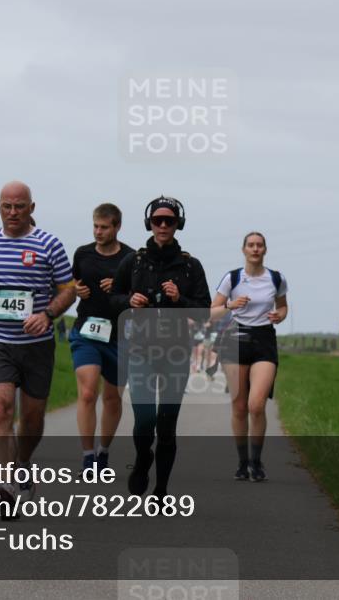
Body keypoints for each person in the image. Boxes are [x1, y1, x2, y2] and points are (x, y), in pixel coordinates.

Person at [0, 181, 75, 516]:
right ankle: (5, 485)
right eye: (7, 206)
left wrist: (47, 314)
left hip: (36, 346)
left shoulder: (49, 244)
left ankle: (23, 461)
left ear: (31, 208)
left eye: (19, 206)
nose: (12, 213)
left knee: (32, 418)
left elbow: (68, 290)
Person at [110, 196, 210, 498]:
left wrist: (179, 299)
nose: (163, 225)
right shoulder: (134, 261)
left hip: (176, 353)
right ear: (149, 223)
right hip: (141, 351)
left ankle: (161, 490)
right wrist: (129, 300)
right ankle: (143, 459)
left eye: (169, 220)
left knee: (166, 425)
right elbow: (112, 299)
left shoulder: (191, 266)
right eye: (157, 220)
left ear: (178, 224)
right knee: (145, 420)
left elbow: (204, 311)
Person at [210, 232, 288, 482]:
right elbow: (212, 312)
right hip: (235, 338)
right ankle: (243, 462)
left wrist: (280, 315)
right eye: (251, 245)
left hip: (264, 341)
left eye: (259, 245)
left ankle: (256, 461)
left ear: (265, 250)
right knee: (240, 406)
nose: (255, 249)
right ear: (243, 249)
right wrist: (230, 306)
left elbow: (283, 306)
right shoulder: (232, 278)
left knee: (256, 405)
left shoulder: (276, 278)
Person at [70, 203, 134, 478]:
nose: (98, 232)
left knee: (112, 398)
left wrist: (121, 290)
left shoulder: (131, 258)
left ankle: (103, 451)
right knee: (87, 392)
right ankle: (87, 457)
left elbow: (139, 295)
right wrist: (75, 289)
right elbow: (70, 283)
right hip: (87, 331)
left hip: (119, 336)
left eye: (104, 227)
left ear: (117, 227)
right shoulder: (82, 253)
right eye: (95, 226)